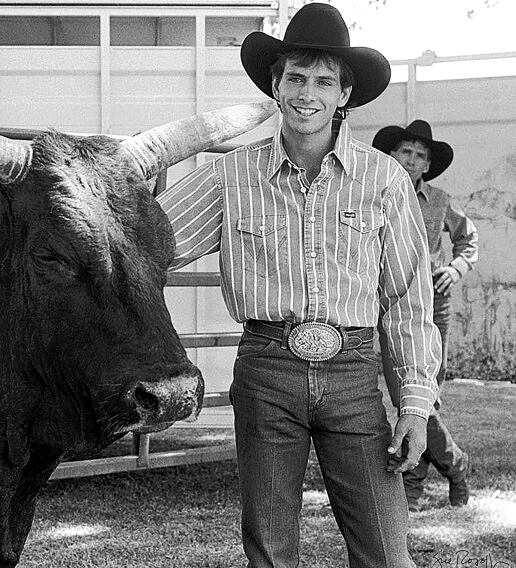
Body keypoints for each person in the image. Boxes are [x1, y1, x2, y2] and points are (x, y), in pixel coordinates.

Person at [156, 3, 441, 567]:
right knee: (269, 553)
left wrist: (414, 402)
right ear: (275, 85)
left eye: (324, 81)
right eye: (295, 78)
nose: (307, 93)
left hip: (354, 374)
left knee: (386, 551)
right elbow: (148, 241)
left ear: (345, 95)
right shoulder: (229, 176)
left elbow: (409, 300)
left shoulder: (384, 179)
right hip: (266, 371)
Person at [373, 120, 478, 511]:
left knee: (426, 395)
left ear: (427, 165)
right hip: (387, 302)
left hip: (433, 304)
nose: (412, 160)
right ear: (391, 155)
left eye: (420, 155)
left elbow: (469, 239)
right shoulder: (373, 190)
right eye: (405, 151)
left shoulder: (439, 200)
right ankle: (454, 464)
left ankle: (416, 483)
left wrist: (454, 268)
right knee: (406, 393)